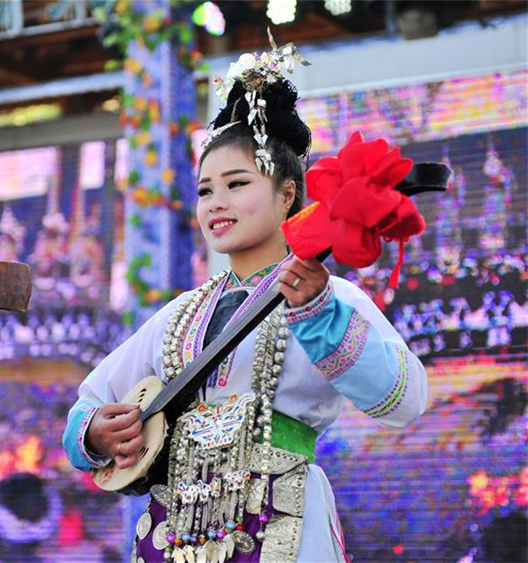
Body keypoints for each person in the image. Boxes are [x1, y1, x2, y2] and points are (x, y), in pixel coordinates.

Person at [62, 38, 428, 562]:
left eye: (236, 184)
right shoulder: (180, 315)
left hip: (283, 521)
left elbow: (405, 399)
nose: (216, 203)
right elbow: (91, 402)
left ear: (288, 193)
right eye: (205, 190)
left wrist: (321, 318)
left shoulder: (328, 296)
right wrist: (97, 433)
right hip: (178, 533)